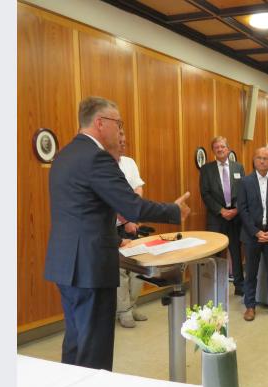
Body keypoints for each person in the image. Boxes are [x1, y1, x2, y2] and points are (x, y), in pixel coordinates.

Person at [44, 96, 191, 371]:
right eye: (118, 123)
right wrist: (173, 210)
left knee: (76, 341)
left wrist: (115, 238)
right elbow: (131, 206)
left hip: (65, 264)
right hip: (89, 267)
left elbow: (82, 212)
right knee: (93, 350)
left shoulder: (64, 155)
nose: (120, 130)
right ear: (101, 122)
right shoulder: (96, 157)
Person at [237, 147, 268, 321]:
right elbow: (242, 209)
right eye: (259, 157)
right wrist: (256, 231)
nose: (263, 161)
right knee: (251, 272)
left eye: (266, 158)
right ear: (254, 160)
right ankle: (250, 306)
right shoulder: (245, 182)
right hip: (252, 236)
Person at [200, 136, 246, 296]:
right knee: (215, 254)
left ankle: (240, 286)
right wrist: (221, 210)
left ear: (228, 149)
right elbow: (205, 194)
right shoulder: (206, 169)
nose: (220, 149)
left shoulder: (238, 167)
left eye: (222, 146)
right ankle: (212, 287)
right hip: (216, 217)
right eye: (216, 147)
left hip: (235, 217)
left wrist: (236, 209)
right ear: (213, 150)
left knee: (236, 251)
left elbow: (243, 191)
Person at [113, 130, 148, 328]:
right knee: (120, 272)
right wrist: (126, 218)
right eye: (120, 141)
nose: (123, 144)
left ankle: (132, 305)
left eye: (125, 141)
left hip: (132, 223)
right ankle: (124, 311)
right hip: (113, 227)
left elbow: (138, 189)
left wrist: (132, 216)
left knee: (137, 269)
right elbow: (109, 198)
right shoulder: (104, 165)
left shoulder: (129, 162)